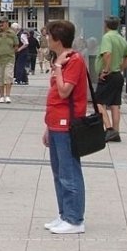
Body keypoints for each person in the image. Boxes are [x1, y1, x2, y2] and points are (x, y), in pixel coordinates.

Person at [42, 19, 89, 234]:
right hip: (55, 122)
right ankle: (64, 214)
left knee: (69, 172)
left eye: (48, 35)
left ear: (58, 39)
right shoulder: (62, 59)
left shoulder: (74, 60)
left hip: (67, 123)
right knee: (59, 172)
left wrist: (59, 68)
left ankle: (74, 219)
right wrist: (48, 126)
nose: (46, 38)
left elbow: (64, 91)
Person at [94, 16, 127, 143]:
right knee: (115, 104)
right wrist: (121, 67)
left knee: (98, 102)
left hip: (108, 75)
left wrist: (106, 69)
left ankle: (109, 129)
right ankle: (116, 132)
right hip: (117, 75)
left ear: (106, 25)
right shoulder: (120, 38)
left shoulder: (107, 37)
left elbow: (107, 53)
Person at [0, 16, 19, 103]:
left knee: (8, 76)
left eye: (3, 22)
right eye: (0, 22)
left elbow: (16, 45)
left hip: (9, 58)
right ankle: (1, 96)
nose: (1, 24)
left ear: (7, 23)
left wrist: (11, 51)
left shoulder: (12, 33)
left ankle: (8, 95)